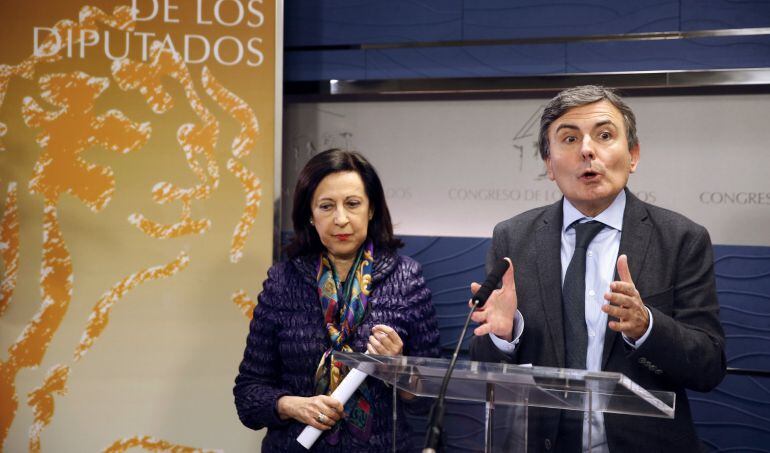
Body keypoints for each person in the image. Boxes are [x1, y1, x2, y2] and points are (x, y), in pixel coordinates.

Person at [469, 85, 726, 452]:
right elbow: (482, 371)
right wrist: (502, 337)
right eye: (569, 138)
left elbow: (709, 366)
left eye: (604, 135)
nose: (587, 150)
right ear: (548, 165)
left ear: (633, 155)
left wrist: (646, 327)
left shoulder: (682, 239)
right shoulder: (513, 238)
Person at [234, 149, 440, 452]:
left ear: (371, 210)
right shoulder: (282, 281)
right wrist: (293, 406)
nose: (341, 219)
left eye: (353, 204)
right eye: (326, 206)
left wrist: (399, 368)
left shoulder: (406, 278)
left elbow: (431, 397)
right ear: (310, 214)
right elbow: (248, 396)